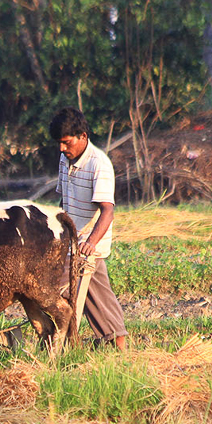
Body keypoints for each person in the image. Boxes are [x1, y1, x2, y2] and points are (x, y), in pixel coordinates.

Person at [50, 106, 128, 349]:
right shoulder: (65, 159)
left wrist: (89, 243)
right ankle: (117, 346)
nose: (62, 148)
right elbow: (64, 202)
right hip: (70, 244)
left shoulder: (99, 165)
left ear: (83, 136)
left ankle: (66, 347)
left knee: (59, 294)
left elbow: (108, 211)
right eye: (59, 143)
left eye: (66, 142)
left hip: (88, 248)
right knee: (99, 299)